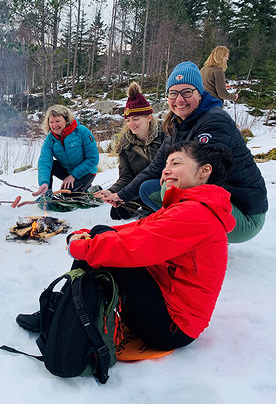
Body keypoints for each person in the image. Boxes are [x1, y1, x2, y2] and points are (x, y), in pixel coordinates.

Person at [18, 141, 236, 351]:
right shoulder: (188, 206)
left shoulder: (196, 214)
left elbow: (132, 248)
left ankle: (61, 314)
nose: (166, 170)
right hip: (164, 299)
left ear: (204, 171)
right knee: (102, 233)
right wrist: (84, 235)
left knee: (106, 252)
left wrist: (80, 247)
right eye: (166, 165)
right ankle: (64, 310)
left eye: (176, 164)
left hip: (173, 326)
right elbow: (136, 230)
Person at [100, 61, 267, 244]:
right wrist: (121, 195)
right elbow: (156, 167)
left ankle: (194, 240)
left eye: (187, 92)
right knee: (148, 188)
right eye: (173, 93)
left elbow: (207, 175)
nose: (179, 100)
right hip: (219, 204)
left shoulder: (214, 121)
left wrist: (170, 174)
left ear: (200, 93)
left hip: (243, 214)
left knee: (172, 186)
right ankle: (188, 234)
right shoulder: (177, 124)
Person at [95, 82, 164, 220]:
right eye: (128, 120)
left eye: (136, 119)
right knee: (118, 213)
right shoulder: (126, 144)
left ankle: (156, 208)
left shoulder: (165, 136)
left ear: (149, 117)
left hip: (160, 186)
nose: (131, 124)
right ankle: (145, 206)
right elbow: (126, 176)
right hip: (136, 188)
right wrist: (112, 191)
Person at [33, 105, 99, 198]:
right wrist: (44, 183)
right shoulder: (50, 139)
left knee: (66, 194)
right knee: (51, 165)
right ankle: (47, 195)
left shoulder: (81, 131)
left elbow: (93, 159)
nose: (54, 125)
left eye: (58, 121)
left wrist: (73, 175)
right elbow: (44, 161)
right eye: (51, 122)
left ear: (66, 120)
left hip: (86, 172)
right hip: (67, 171)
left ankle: (87, 188)